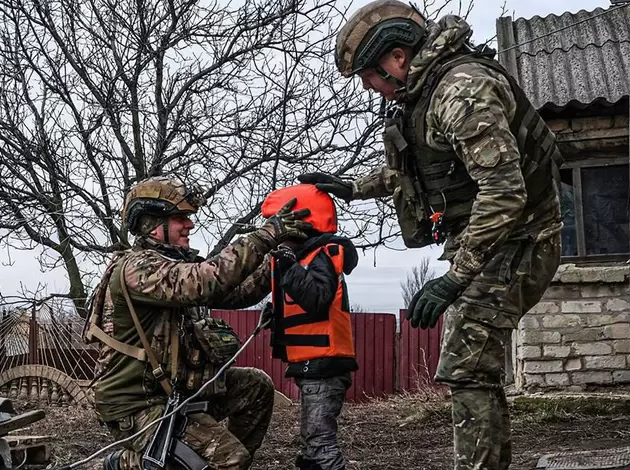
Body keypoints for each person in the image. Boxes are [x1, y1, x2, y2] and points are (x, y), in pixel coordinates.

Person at [298, 2, 563, 469]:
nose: (368, 87)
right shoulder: (427, 95)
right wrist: (354, 188)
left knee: (465, 365)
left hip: (522, 238)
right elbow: (423, 170)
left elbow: (504, 193)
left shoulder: (461, 92)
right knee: (474, 369)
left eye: (369, 75)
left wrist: (453, 278)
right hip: (493, 240)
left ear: (397, 58)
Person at [84, 175, 316, 470]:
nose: (190, 225)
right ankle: (138, 463)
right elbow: (208, 280)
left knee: (256, 387)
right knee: (230, 459)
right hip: (137, 404)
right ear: (152, 224)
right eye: (181, 218)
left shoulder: (172, 264)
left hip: (176, 392)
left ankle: (194, 459)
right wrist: (266, 234)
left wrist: (280, 257)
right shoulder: (137, 268)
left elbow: (237, 292)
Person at [261, 184, 359, 470]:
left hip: (325, 364)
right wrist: (275, 313)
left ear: (302, 224)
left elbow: (317, 298)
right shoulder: (304, 258)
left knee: (320, 443)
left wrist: (289, 269)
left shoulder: (323, 255)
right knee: (311, 443)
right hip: (312, 364)